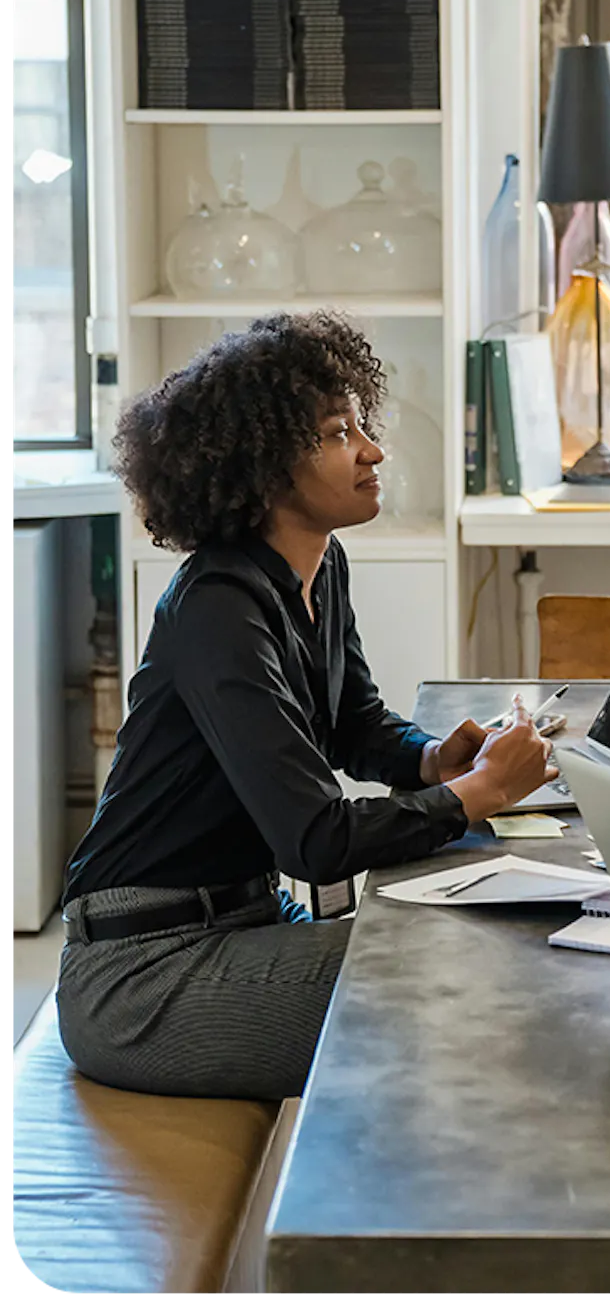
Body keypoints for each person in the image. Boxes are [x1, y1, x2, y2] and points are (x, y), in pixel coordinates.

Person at [56, 312, 554, 1102]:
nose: (373, 450)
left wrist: (432, 759)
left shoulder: (321, 566)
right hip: (143, 973)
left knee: (466, 946)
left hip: (242, 924)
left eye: (361, 423)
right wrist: (478, 794)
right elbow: (315, 841)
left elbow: (355, 724)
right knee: (464, 977)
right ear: (264, 468)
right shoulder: (218, 607)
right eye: (337, 433)